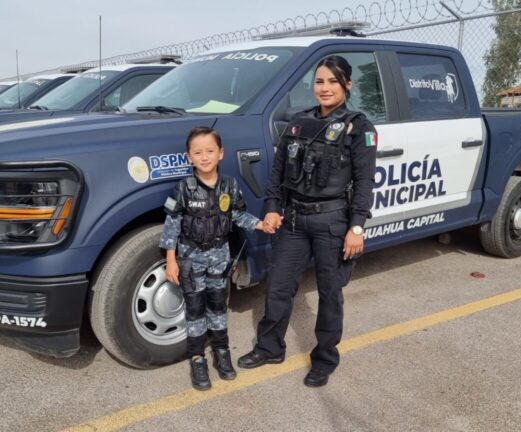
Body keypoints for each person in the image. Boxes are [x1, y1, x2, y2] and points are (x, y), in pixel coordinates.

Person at [237, 55, 377, 387]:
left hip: (333, 222)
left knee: (330, 293)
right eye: (319, 81)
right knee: (278, 287)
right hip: (295, 220)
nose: (324, 88)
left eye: (332, 81)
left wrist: (357, 227)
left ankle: (325, 359)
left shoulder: (359, 128)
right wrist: (272, 207)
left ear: (347, 85)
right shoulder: (298, 124)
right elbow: (277, 174)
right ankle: (270, 347)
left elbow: (365, 181)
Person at [160, 126, 268, 391]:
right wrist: (171, 260)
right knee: (195, 311)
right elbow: (171, 226)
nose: (204, 156)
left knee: (218, 309)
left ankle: (222, 353)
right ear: (189, 157)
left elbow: (238, 216)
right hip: (190, 259)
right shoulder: (183, 188)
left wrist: (260, 225)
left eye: (210, 151)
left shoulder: (230, 185)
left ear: (221, 153)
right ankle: (197, 359)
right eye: (198, 152)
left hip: (220, 258)